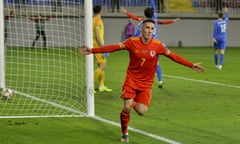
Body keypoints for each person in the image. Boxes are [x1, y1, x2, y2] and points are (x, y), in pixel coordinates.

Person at [79, 19, 205, 143]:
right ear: (141, 29)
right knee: (127, 106)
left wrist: (191, 65)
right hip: (131, 80)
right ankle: (124, 133)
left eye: (152, 29)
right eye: (147, 28)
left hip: (146, 84)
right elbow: (114, 47)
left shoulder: (158, 45)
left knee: (141, 111)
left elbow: (173, 56)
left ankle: (132, 102)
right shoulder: (132, 42)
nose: (149, 31)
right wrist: (92, 50)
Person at [121, 1, 180, 88]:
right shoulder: (155, 20)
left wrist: (126, 13)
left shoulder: (143, 22)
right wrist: (173, 21)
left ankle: (143, 80)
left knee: (144, 63)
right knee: (156, 63)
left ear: (144, 14)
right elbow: (163, 22)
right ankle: (160, 81)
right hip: (156, 45)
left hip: (148, 45)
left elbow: (135, 20)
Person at [93, 5, 112, 92]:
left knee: (101, 66)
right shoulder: (97, 20)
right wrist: (102, 46)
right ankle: (90, 84)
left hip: (97, 44)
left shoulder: (94, 19)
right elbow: (97, 35)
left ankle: (101, 86)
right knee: (103, 66)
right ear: (100, 10)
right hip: (98, 45)